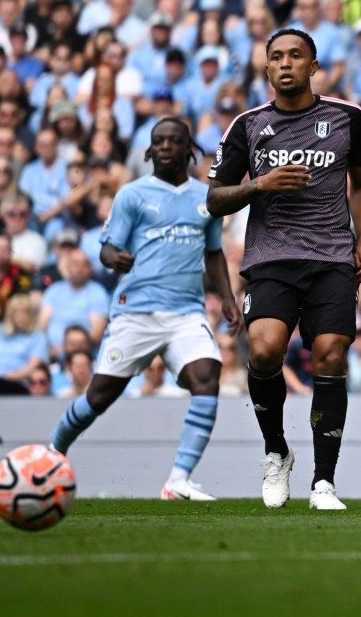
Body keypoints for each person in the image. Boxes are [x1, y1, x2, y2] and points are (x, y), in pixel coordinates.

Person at [207, 29, 361, 511]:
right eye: (276, 57)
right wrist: (260, 184)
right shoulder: (247, 125)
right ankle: (276, 451)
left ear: (313, 66)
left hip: (331, 258)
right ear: (266, 69)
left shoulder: (347, 118)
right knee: (262, 352)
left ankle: (324, 481)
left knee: (330, 354)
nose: (286, 64)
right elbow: (214, 198)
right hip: (271, 258)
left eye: (295, 56)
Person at [48, 118, 241, 502]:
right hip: (135, 311)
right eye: (159, 141)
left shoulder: (208, 198)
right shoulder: (132, 195)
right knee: (99, 397)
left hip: (186, 312)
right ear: (149, 151)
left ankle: (178, 480)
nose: (166, 146)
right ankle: (53, 452)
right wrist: (112, 257)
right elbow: (107, 246)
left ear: (190, 150)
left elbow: (214, 252)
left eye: (174, 140)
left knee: (207, 375)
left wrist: (229, 298)